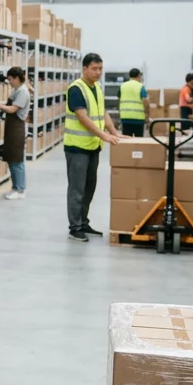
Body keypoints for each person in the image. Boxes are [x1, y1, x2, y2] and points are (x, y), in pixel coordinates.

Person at [65, 53, 122, 243]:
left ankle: (83, 222)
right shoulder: (76, 89)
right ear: (85, 69)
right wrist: (104, 135)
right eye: (94, 69)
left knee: (89, 188)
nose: (98, 73)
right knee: (77, 189)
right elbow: (83, 117)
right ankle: (74, 228)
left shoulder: (96, 87)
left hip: (92, 147)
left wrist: (113, 131)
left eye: (100, 69)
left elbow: (102, 111)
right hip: (77, 148)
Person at [0, 66, 29, 200]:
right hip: (12, 128)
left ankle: (20, 189)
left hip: (17, 129)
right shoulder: (17, 90)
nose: (9, 82)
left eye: (10, 79)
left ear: (17, 78)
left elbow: (12, 109)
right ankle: (16, 187)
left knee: (17, 160)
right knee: (12, 159)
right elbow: (8, 104)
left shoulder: (22, 91)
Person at [118, 68, 151, 138]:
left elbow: (119, 98)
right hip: (138, 119)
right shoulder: (141, 87)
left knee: (126, 140)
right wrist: (147, 114)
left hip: (125, 117)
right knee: (138, 141)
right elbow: (145, 101)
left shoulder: (122, 86)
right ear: (138, 76)